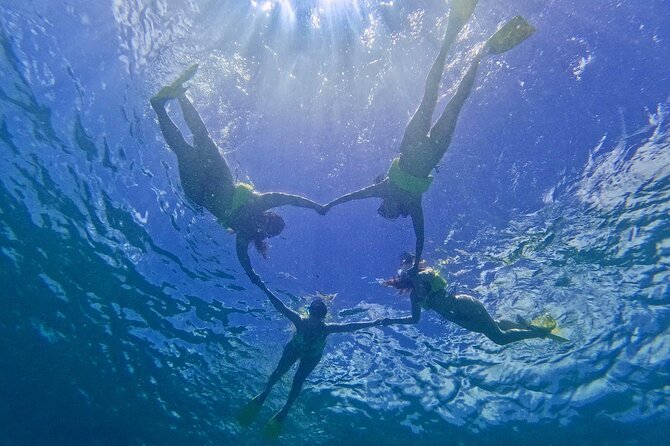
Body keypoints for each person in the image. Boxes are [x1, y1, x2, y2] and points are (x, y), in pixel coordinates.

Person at [323, 0, 535, 270]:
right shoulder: (411, 204)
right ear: (395, 212)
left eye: (382, 211)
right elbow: (419, 236)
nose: (383, 211)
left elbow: (351, 196)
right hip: (434, 151)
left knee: (429, 97)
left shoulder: (383, 188)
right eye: (386, 215)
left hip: (410, 144)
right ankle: (483, 52)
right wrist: (415, 265)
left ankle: (451, 33)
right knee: (457, 102)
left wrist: (327, 205)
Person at [150, 65, 323, 282]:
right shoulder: (260, 203)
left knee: (183, 151)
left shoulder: (245, 232)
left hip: (200, 192)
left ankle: (160, 107)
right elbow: (290, 199)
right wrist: (317, 206)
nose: (266, 229)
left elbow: (243, 258)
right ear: (268, 214)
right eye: (270, 224)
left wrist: (252, 276)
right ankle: (179, 95)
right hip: (216, 180)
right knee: (200, 138)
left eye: (269, 232)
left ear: (265, 235)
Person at [237, 279, 388, 437]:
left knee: (297, 380)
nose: (315, 320)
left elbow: (351, 326)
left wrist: (374, 322)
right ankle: (265, 393)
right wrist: (263, 288)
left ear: (321, 316)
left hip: (312, 356)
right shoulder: (301, 320)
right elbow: (280, 306)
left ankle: (285, 409)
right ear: (310, 312)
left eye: (318, 316)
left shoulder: (326, 328)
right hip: (294, 348)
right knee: (279, 371)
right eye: (314, 315)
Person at [383, 255, 567, 345]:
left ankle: (539, 332)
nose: (408, 272)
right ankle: (527, 327)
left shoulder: (426, 274)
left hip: (465, 305)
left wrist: (416, 272)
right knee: (495, 325)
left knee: (498, 338)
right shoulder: (415, 295)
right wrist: (391, 320)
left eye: (411, 267)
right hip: (460, 319)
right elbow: (414, 319)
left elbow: (427, 274)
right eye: (405, 271)